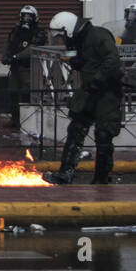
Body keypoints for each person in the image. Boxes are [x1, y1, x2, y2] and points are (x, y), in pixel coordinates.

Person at [45, 13, 124, 185]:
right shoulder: (80, 39)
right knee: (76, 130)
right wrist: (77, 62)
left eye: (61, 35)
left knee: (104, 135)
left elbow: (112, 61)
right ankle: (65, 174)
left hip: (106, 93)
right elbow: (89, 61)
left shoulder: (99, 35)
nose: (61, 40)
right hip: (89, 92)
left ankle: (101, 178)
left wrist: (98, 79)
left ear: (69, 29)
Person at [3, 5, 47, 129]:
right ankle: (15, 120)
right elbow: (9, 43)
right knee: (13, 93)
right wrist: (6, 56)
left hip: (29, 68)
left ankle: (28, 121)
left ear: (35, 18)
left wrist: (16, 56)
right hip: (15, 68)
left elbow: (32, 49)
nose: (26, 19)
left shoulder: (39, 32)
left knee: (27, 94)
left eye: (29, 16)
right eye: (24, 16)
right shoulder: (16, 30)